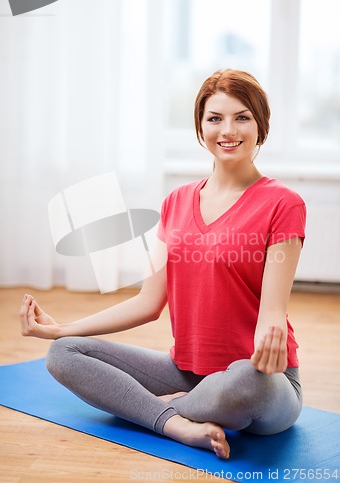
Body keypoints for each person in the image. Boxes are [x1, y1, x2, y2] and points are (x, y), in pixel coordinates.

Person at [19, 69, 306, 460]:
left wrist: (268, 338)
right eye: (215, 118)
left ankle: (168, 407)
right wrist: (60, 329)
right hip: (188, 370)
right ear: (200, 126)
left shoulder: (283, 204)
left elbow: (272, 312)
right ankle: (177, 424)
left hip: (262, 381)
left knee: (245, 379)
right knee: (65, 354)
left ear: (261, 125)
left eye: (242, 117)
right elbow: (148, 302)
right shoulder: (176, 202)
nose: (228, 129)